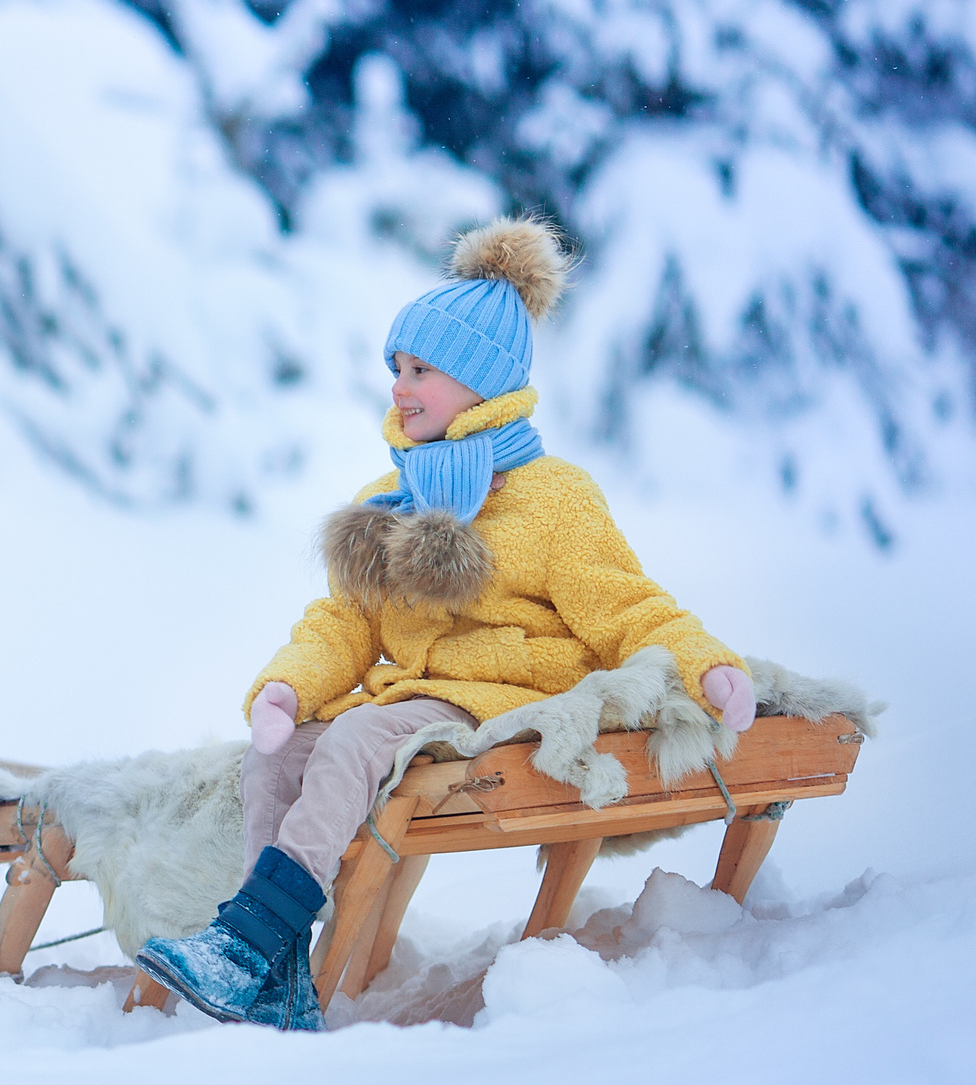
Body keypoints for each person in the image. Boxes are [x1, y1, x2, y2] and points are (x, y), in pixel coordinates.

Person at [135, 217, 754, 1031]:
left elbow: (629, 606)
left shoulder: (553, 497)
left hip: (503, 700)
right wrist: (289, 686)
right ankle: (277, 975)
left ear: (480, 383)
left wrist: (705, 664)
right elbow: (343, 622)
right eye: (396, 367)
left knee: (357, 739)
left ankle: (244, 941)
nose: (399, 386)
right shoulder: (390, 498)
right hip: (415, 702)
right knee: (278, 756)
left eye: (420, 369)